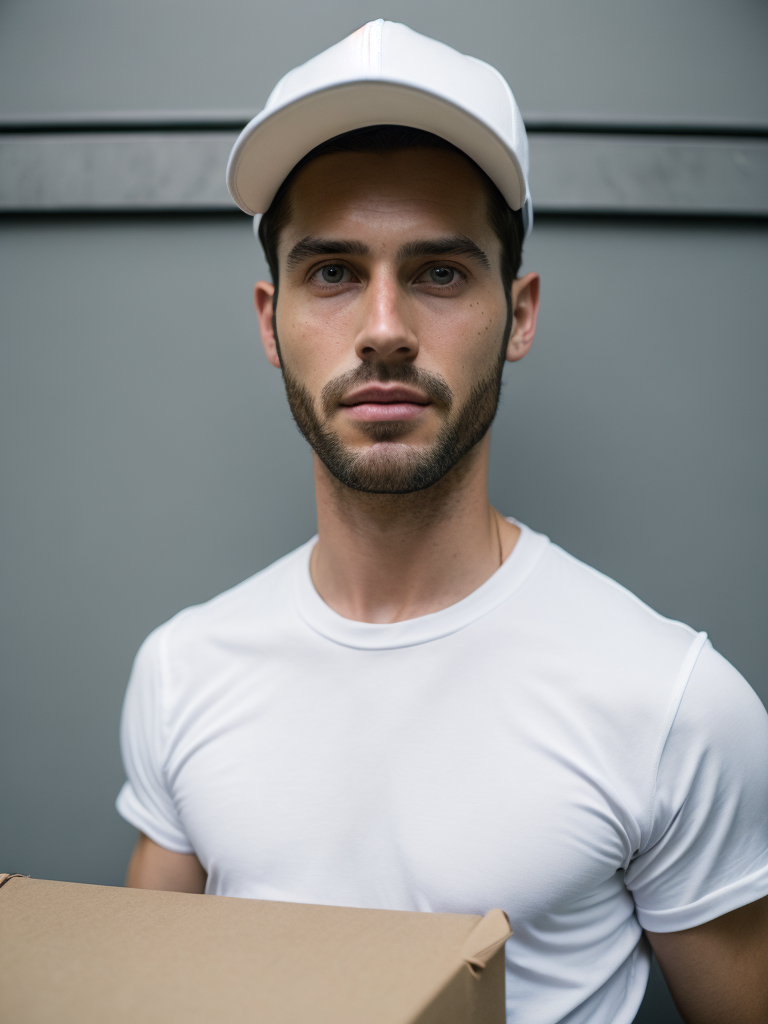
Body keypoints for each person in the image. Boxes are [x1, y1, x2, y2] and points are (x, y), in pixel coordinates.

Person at [117, 20, 768, 1024]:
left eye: (439, 273)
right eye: (332, 272)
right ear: (268, 318)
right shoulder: (182, 669)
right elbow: (134, 1000)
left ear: (521, 313)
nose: (383, 329)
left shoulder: (676, 704)